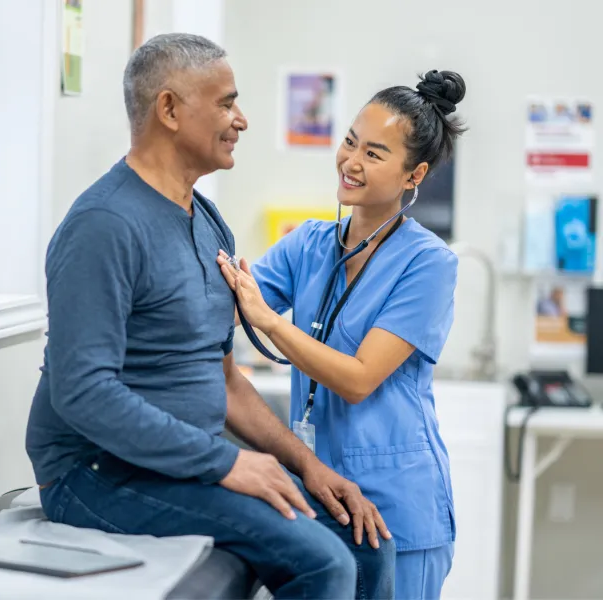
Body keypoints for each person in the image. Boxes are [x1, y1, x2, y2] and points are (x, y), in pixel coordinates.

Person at [26, 33, 396, 599]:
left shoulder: (206, 220)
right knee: (325, 564)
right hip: (95, 474)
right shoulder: (103, 226)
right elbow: (83, 393)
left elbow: (225, 379)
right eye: (225, 103)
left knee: (367, 544)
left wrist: (306, 465)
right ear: (169, 109)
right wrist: (226, 462)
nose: (241, 120)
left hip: (179, 465)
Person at [217, 69, 467, 600]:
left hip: (398, 509)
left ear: (413, 175)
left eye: (375, 154)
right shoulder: (308, 244)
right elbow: (231, 303)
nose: (351, 162)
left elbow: (358, 380)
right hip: (321, 497)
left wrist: (269, 320)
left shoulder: (429, 264)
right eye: (351, 142)